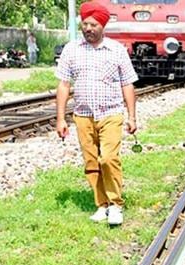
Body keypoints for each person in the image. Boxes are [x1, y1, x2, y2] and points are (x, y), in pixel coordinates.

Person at [55, 1, 138, 226]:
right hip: (83, 115)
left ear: (103, 26)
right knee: (91, 162)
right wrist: (61, 118)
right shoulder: (71, 49)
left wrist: (132, 116)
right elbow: (63, 85)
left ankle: (116, 204)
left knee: (109, 158)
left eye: (93, 24)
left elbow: (128, 84)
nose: (88, 28)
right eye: (85, 24)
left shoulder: (117, 50)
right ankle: (101, 205)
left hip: (111, 113)